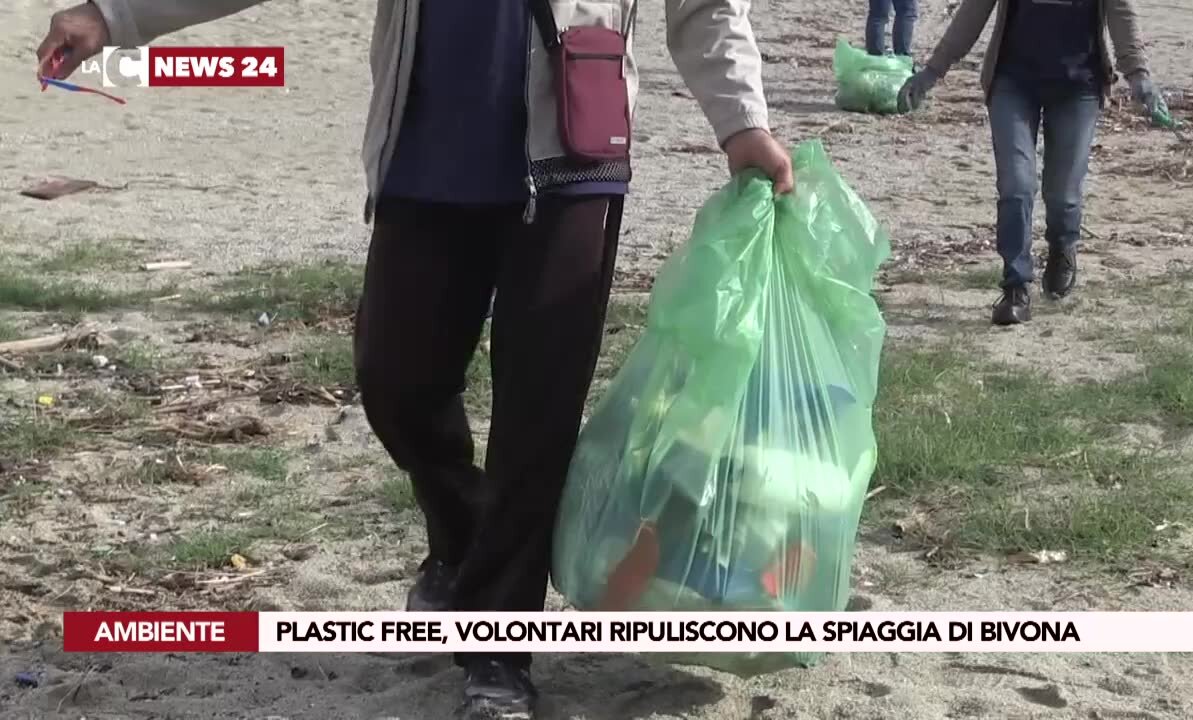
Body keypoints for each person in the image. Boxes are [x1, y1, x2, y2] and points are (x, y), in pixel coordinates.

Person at [37, 1, 794, 718]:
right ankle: (464, 544)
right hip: (427, 152)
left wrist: (741, 123)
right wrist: (115, 15)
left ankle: (500, 648)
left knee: (539, 415)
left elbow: (707, 7)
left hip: (572, 148)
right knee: (396, 379)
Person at [896, 0, 1162, 325]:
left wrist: (1138, 76)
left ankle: (1062, 246)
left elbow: (1121, 13)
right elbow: (973, 12)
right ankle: (1015, 286)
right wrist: (932, 71)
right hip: (1012, 82)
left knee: (1064, 194)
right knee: (1016, 185)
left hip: (1079, 87)